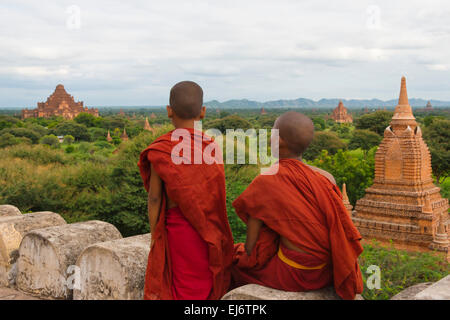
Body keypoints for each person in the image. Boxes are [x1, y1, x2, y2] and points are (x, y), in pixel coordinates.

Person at [231, 111, 364, 300]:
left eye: (273, 134)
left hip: (297, 273)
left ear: (280, 142)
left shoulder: (267, 180)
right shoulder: (326, 177)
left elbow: (252, 249)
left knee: (234, 264)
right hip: (329, 271)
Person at [138, 81, 234, 300]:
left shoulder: (161, 149)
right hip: (209, 230)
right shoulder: (211, 146)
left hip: (177, 233)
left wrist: (155, 235)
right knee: (206, 283)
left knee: (180, 288)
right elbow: (215, 193)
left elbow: (154, 199)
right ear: (202, 112)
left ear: (169, 111)